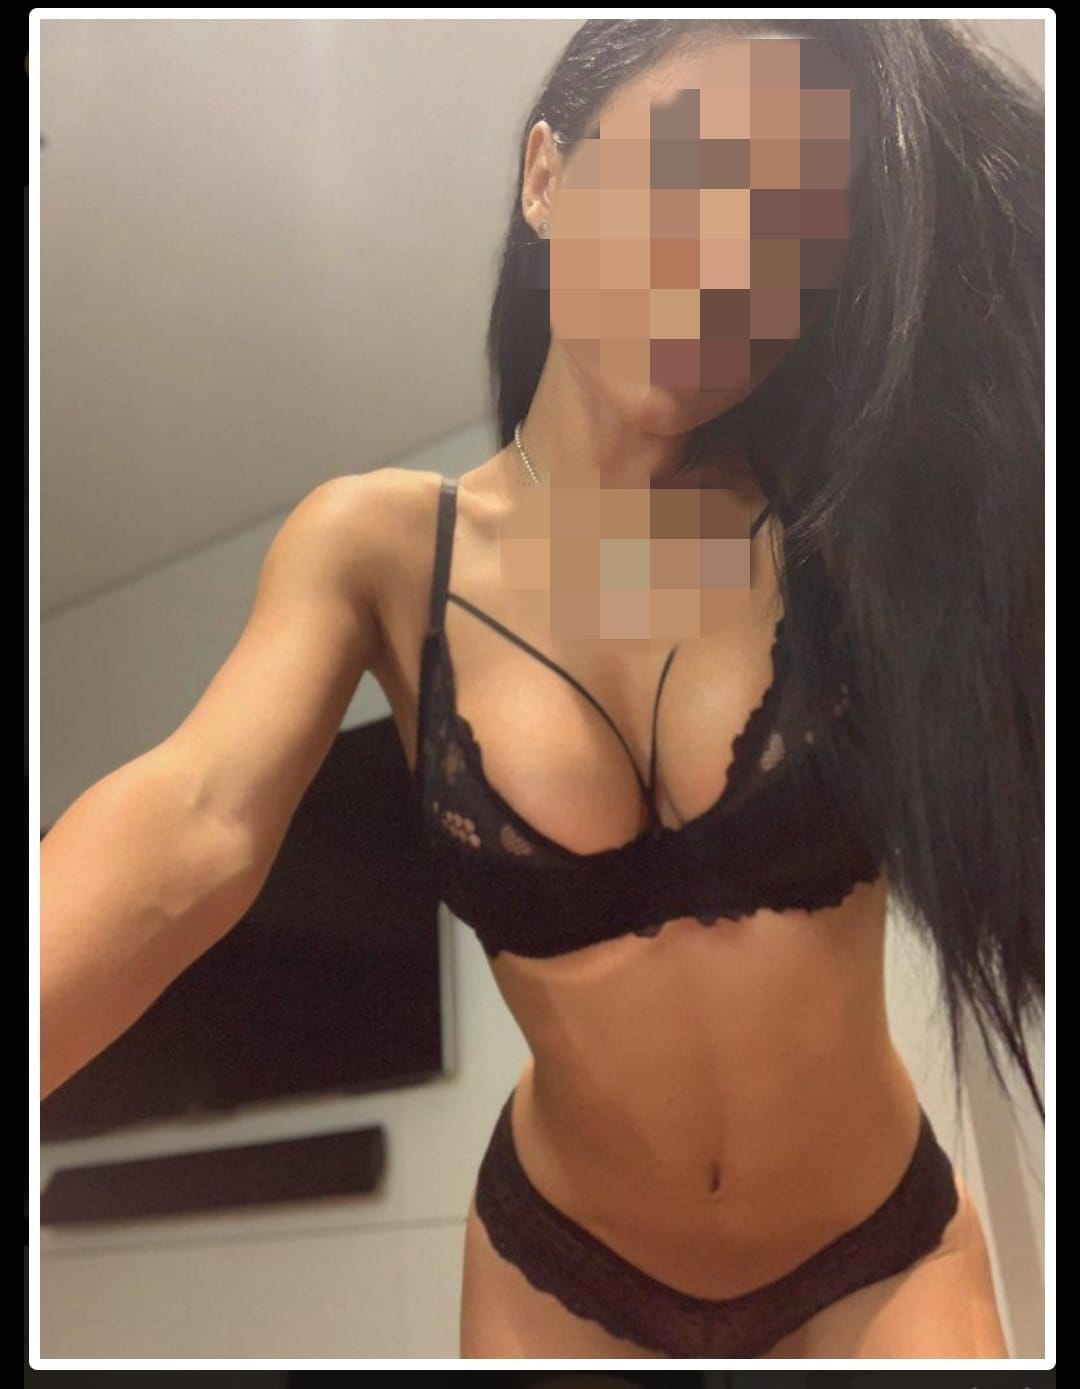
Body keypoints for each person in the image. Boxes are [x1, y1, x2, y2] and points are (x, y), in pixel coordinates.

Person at [39, 17, 1043, 1361]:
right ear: (547, 178)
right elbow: (195, 815)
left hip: (881, 1257)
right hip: (558, 1273)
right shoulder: (382, 547)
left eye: (795, 228)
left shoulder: (842, 526)